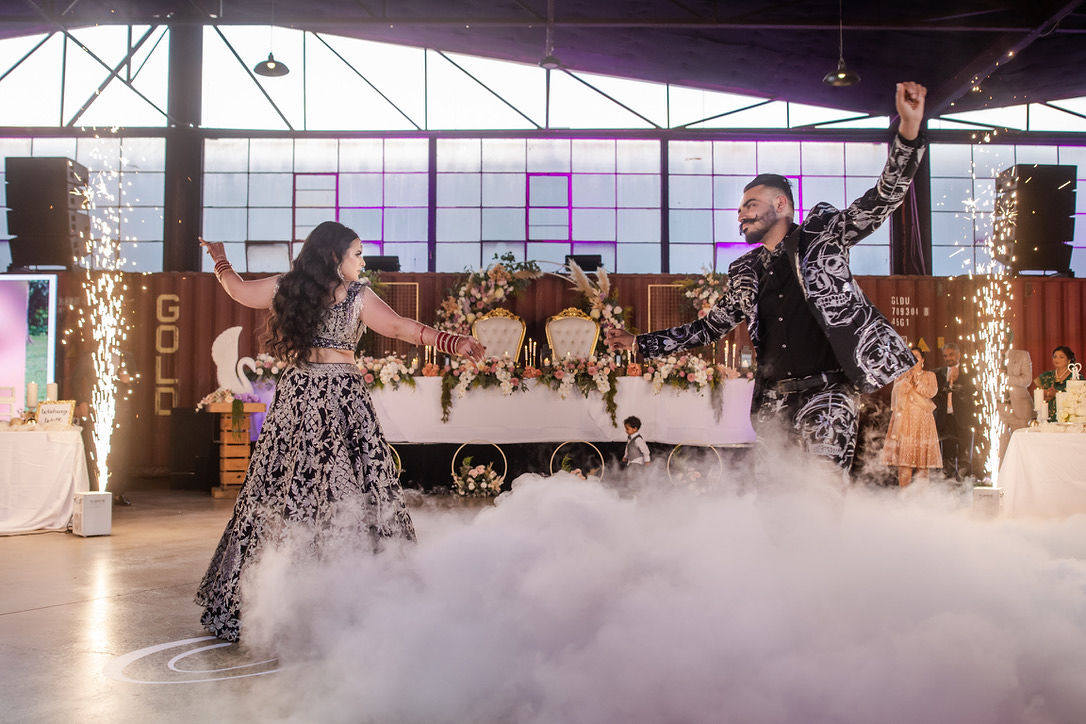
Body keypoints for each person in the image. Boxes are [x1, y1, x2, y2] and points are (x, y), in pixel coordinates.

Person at [606, 82, 928, 471]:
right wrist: (639, 342)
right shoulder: (746, 271)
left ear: (781, 204)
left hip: (828, 393)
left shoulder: (824, 235)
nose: (740, 215)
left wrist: (908, 132)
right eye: (740, 209)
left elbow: (883, 199)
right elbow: (709, 328)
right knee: (779, 500)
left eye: (750, 205)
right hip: (774, 402)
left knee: (822, 491)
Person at [195, 221, 484, 642]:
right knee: (311, 492)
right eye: (358, 254)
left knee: (306, 492)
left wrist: (221, 259)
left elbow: (237, 289)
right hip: (330, 398)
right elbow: (401, 327)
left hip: (306, 396)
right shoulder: (337, 293)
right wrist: (452, 343)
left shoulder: (315, 290)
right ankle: (304, 600)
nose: (362, 262)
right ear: (334, 256)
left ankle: (322, 595)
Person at [881, 346, 941, 487]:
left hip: (923, 422)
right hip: (905, 422)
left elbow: (931, 392)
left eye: (917, 357)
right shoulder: (901, 376)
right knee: (904, 463)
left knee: (922, 464)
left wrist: (917, 382)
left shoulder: (930, 376)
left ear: (922, 360)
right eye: (910, 357)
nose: (913, 360)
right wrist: (905, 383)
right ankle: (904, 497)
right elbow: (895, 399)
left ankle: (921, 499)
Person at [933, 342, 976, 479]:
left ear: (959, 354)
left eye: (951, 355)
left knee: (964, 451)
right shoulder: (938, 373)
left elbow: (973, 392)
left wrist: (958, 384)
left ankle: (965, 481)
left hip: (963, 418)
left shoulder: (970, 370)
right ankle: (949, 482)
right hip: (945, 418)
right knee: (947, 452)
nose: (948, 358)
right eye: (945, 356)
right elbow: (935, 394)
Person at [1034, 345, 1077, 422]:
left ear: (1069, 360)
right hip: (1046, 417)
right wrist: (1046, 394)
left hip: (1069, 417)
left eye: (1061, 357)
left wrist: (1057, 394)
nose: (1057, 359)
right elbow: (1038, 395)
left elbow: (1079, 398)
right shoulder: (1046, 376)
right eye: (1055, 357)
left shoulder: (1075, 377)